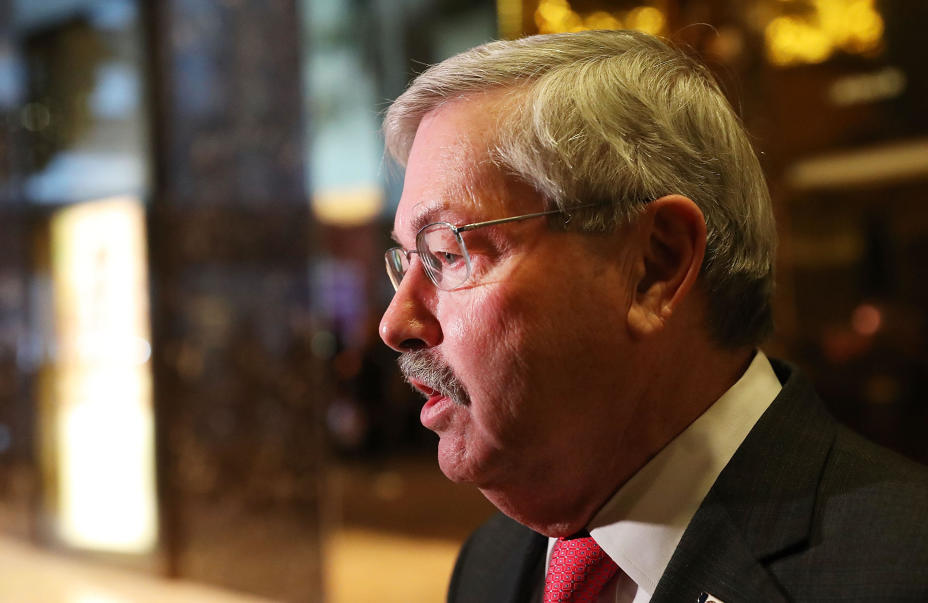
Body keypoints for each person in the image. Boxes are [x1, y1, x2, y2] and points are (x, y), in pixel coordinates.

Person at [377, 29, 928, 602]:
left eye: (446, 254)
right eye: (406, 260)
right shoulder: (490, 565)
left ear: (654, 265)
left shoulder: (902, 567)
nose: (395, 323)